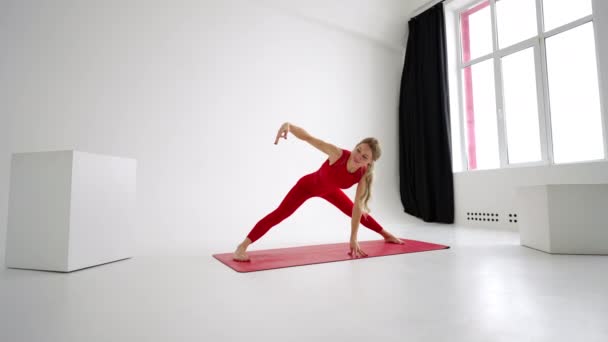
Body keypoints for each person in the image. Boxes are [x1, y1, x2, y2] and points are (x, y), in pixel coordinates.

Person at [233, 122, 403, 262]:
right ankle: (241, 247)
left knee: (356, 211)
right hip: (307, 186)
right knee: (280, 214)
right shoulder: (337, 154)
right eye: (358, 149)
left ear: (370, 162)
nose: (358, 156)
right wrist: (289, 127)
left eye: (364, 157)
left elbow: (358, 207)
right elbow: (309, 138)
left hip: (330, 191)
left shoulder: (363, 174)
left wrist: (353, 238)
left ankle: (385, 234)